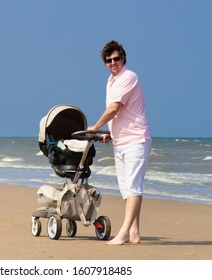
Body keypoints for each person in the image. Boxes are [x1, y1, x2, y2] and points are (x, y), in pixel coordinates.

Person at [87, 40, 151, 245]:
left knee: (133, 187)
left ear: (123, 57)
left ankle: (123, 233)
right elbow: (120, 114)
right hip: (121, 141)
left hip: (136, 140)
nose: (113, 62)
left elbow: (115, 108)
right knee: (126, 187)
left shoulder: (129, 77)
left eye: (116, 58)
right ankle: (134, 232)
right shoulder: (111, 81)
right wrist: (110, 133)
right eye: (108, 60)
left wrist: (95, 127)